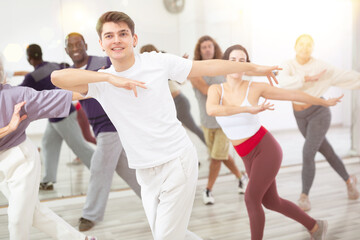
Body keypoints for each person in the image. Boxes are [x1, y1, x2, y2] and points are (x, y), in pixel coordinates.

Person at [51, 11, 280, 240]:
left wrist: (255, 68)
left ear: (134, 39)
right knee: (175, 234)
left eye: (123, 34)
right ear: (101, 44)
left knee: (166, 237)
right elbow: (57, 78)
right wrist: (108, 78)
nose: (117, 40)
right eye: (109, 36)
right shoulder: (101, 82)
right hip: (144, 171)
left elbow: (209, 67)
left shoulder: (156, 62)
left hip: (176, 161)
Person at [206, 44, 344, 240]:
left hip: (265, 149)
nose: (237, 64)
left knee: (251, 198)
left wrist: (323, 101)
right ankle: (315, 226)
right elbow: (212, 110)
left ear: (247, 66)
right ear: (225, 63)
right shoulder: (216, 90)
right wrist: (246, 110)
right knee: (271, 202)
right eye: (233, 60)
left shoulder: (255, 88)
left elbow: (293, 94)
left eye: (242, 60)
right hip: (246, 155)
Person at [0, 58, 96, 240]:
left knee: (17, 220)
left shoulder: (15, 96)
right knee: (34, 213)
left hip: (20, 160)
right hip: (2, 166)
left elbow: (57, 96)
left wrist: (105, 82)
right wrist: (9, 128)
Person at [65, 32, 141, 231]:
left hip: (113, 123)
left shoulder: (103, 61)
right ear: (66, 50)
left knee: (99, 167)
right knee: (128, 170)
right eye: (71, 46)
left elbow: (126, 74)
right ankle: (158, 198)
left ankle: (90, 215)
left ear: (85, 45)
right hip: (98, 126)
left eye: (78, 44)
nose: (75, 49)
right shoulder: (71, 73)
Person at [277, 34, 360, 211]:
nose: (305, 47)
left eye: (309, 45)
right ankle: (349, 179)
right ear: (295, 46)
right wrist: (306, 79)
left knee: (308, 152)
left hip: (319, 113)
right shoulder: (288, 65)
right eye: (302, 44)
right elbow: (282, 83)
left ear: (313, 48)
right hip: (300, 116)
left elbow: (346, 76)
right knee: (327, 151)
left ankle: (304, 196)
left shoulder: (321, 66)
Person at [20, 44, 94, 190]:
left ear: (29, 59)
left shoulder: (31, 77)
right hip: (57, 117)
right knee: (48, 144)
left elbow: (19, 93)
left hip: (63, 116)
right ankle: (48, 180)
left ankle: (102, 170)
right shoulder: (54, 65)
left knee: (80, 147)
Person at [190, 35, 248, 205]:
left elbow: (233, 89)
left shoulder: (225, 68)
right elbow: (207, 91)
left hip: (225, 120)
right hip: (207, 122)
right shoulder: (195, 72)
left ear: (214, 48)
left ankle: (208, 190)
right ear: (199, 52)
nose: (207, 49)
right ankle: (241, 177)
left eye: (210, 46)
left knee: (215, 157)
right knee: (221, 155)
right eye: (204, 47)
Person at [139, 44, 206, 145]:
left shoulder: (162, 62)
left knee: (192, 128)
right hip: (168, 104)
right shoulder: (146, 70)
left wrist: (181, 64)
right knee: (176, 133)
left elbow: (178, 78)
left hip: (179, 102)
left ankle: (213, 150)